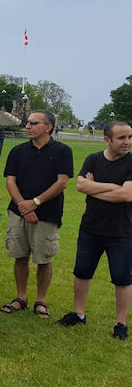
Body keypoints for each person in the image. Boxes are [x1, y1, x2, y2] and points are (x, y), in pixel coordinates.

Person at [57, 120, 132, 341]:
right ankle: (79, 314)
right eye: (122, 138)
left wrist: (94, 188)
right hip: (91, 229)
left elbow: (126, 195)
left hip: (122, 232)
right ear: (107, 139)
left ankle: (121, 324)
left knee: (121, 277)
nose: (127, 142)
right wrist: (112, 188)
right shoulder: (93, 159)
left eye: (130, 137)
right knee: (82, 272)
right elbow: (80, 185)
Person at [1, 110, 73, 318]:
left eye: (33, 123)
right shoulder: (18, 151)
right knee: (20, 256)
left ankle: (41, 300)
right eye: (27, 123)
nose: (28, 126)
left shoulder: (62, 151)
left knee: (43, 259)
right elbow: (10, 181)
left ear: (48, 127)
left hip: (47, 214)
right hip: (18, 212)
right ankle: (20, 297)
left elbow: (62, 182)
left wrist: (36, 203)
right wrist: (23, 206)